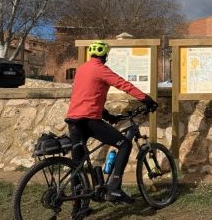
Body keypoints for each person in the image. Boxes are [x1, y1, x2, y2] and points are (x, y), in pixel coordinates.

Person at [65, 40, 158, 204]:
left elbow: (87, 95)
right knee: (125, 144)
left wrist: (107, 115)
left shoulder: (81, 69)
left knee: (77, 165)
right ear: (105, 55)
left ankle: (78, 208)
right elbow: (123, 84)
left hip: (74, 120)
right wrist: (146, 99)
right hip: (89, 120)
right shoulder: (100, 69)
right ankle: (114, 188)